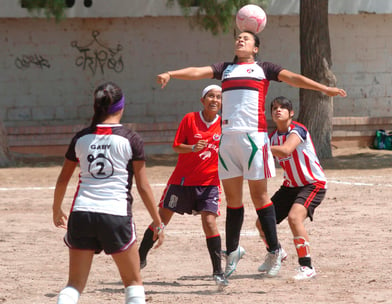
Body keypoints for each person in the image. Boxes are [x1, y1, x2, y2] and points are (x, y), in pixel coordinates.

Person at [156, 30, 346, 278]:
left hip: (253, 139)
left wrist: (324, 88)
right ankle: (233, 251)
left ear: (256, 48)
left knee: (260, 197)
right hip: (228, 140)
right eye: (238, 38)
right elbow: (197, 71)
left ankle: (275, 250)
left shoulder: (264, 68)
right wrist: (171, 74)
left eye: (246, 38)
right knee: (233, 201)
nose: (240, 40)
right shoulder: (224, 68)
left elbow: (294, 78)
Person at [52, 81, 165, 304]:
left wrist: (56, 209)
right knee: (133, 283)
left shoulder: (81, 138)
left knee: (74, 285)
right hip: (115, 215)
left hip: (82, 214)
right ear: (121, 107)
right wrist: (157, 222)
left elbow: (63, 179)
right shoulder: (131, 139)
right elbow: (143, 186)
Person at [138, 85, 228, 286]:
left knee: (210, 223)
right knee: (161, 219)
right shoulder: (190, 119)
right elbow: (177, 146)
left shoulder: (225, 124)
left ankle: (218, 272)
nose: (215, 100)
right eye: (211, 96)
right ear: (202, 100)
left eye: (219, 97)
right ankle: (140, 257)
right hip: (182, 181)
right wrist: (192, 147)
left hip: (209, 183)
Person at [256, 96, 327, 280]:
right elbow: (263, 162)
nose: (278, 110)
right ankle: (276, 252)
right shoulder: (271, 138)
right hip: (289, 187)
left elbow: (287, 150)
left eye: (282, 108)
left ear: (291, 113)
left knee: (294, 218)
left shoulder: (297, 130)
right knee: (262, 223)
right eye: (274, 108)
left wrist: (258, 146)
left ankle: (307, 267)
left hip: (312, 185)